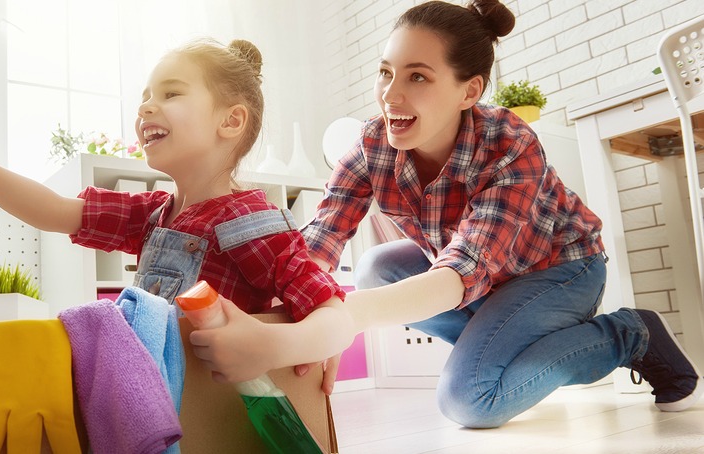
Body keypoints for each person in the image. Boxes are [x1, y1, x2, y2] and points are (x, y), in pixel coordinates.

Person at [188, 0, 703, 428]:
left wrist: (338, 321)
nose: (391, 95)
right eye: (386, 73)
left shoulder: (509, 143)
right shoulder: (371, 145)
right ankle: (511, 344)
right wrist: (281, 313)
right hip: (482, 281)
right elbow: (318, 243)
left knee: (470, 399)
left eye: (418, 77)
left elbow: (463, 270)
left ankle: (630, 334)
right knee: (375, 269)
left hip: (560, 268)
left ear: (469, 91)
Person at [0, 38, 354, 376]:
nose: (144, 107)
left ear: (231, 121)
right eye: (144, 96)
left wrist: (272, 346)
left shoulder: (249, 222)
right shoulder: (154, 214)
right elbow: (51, 211)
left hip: (209, 406)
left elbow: (334, 315)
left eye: (170, 93)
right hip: (153, 395)